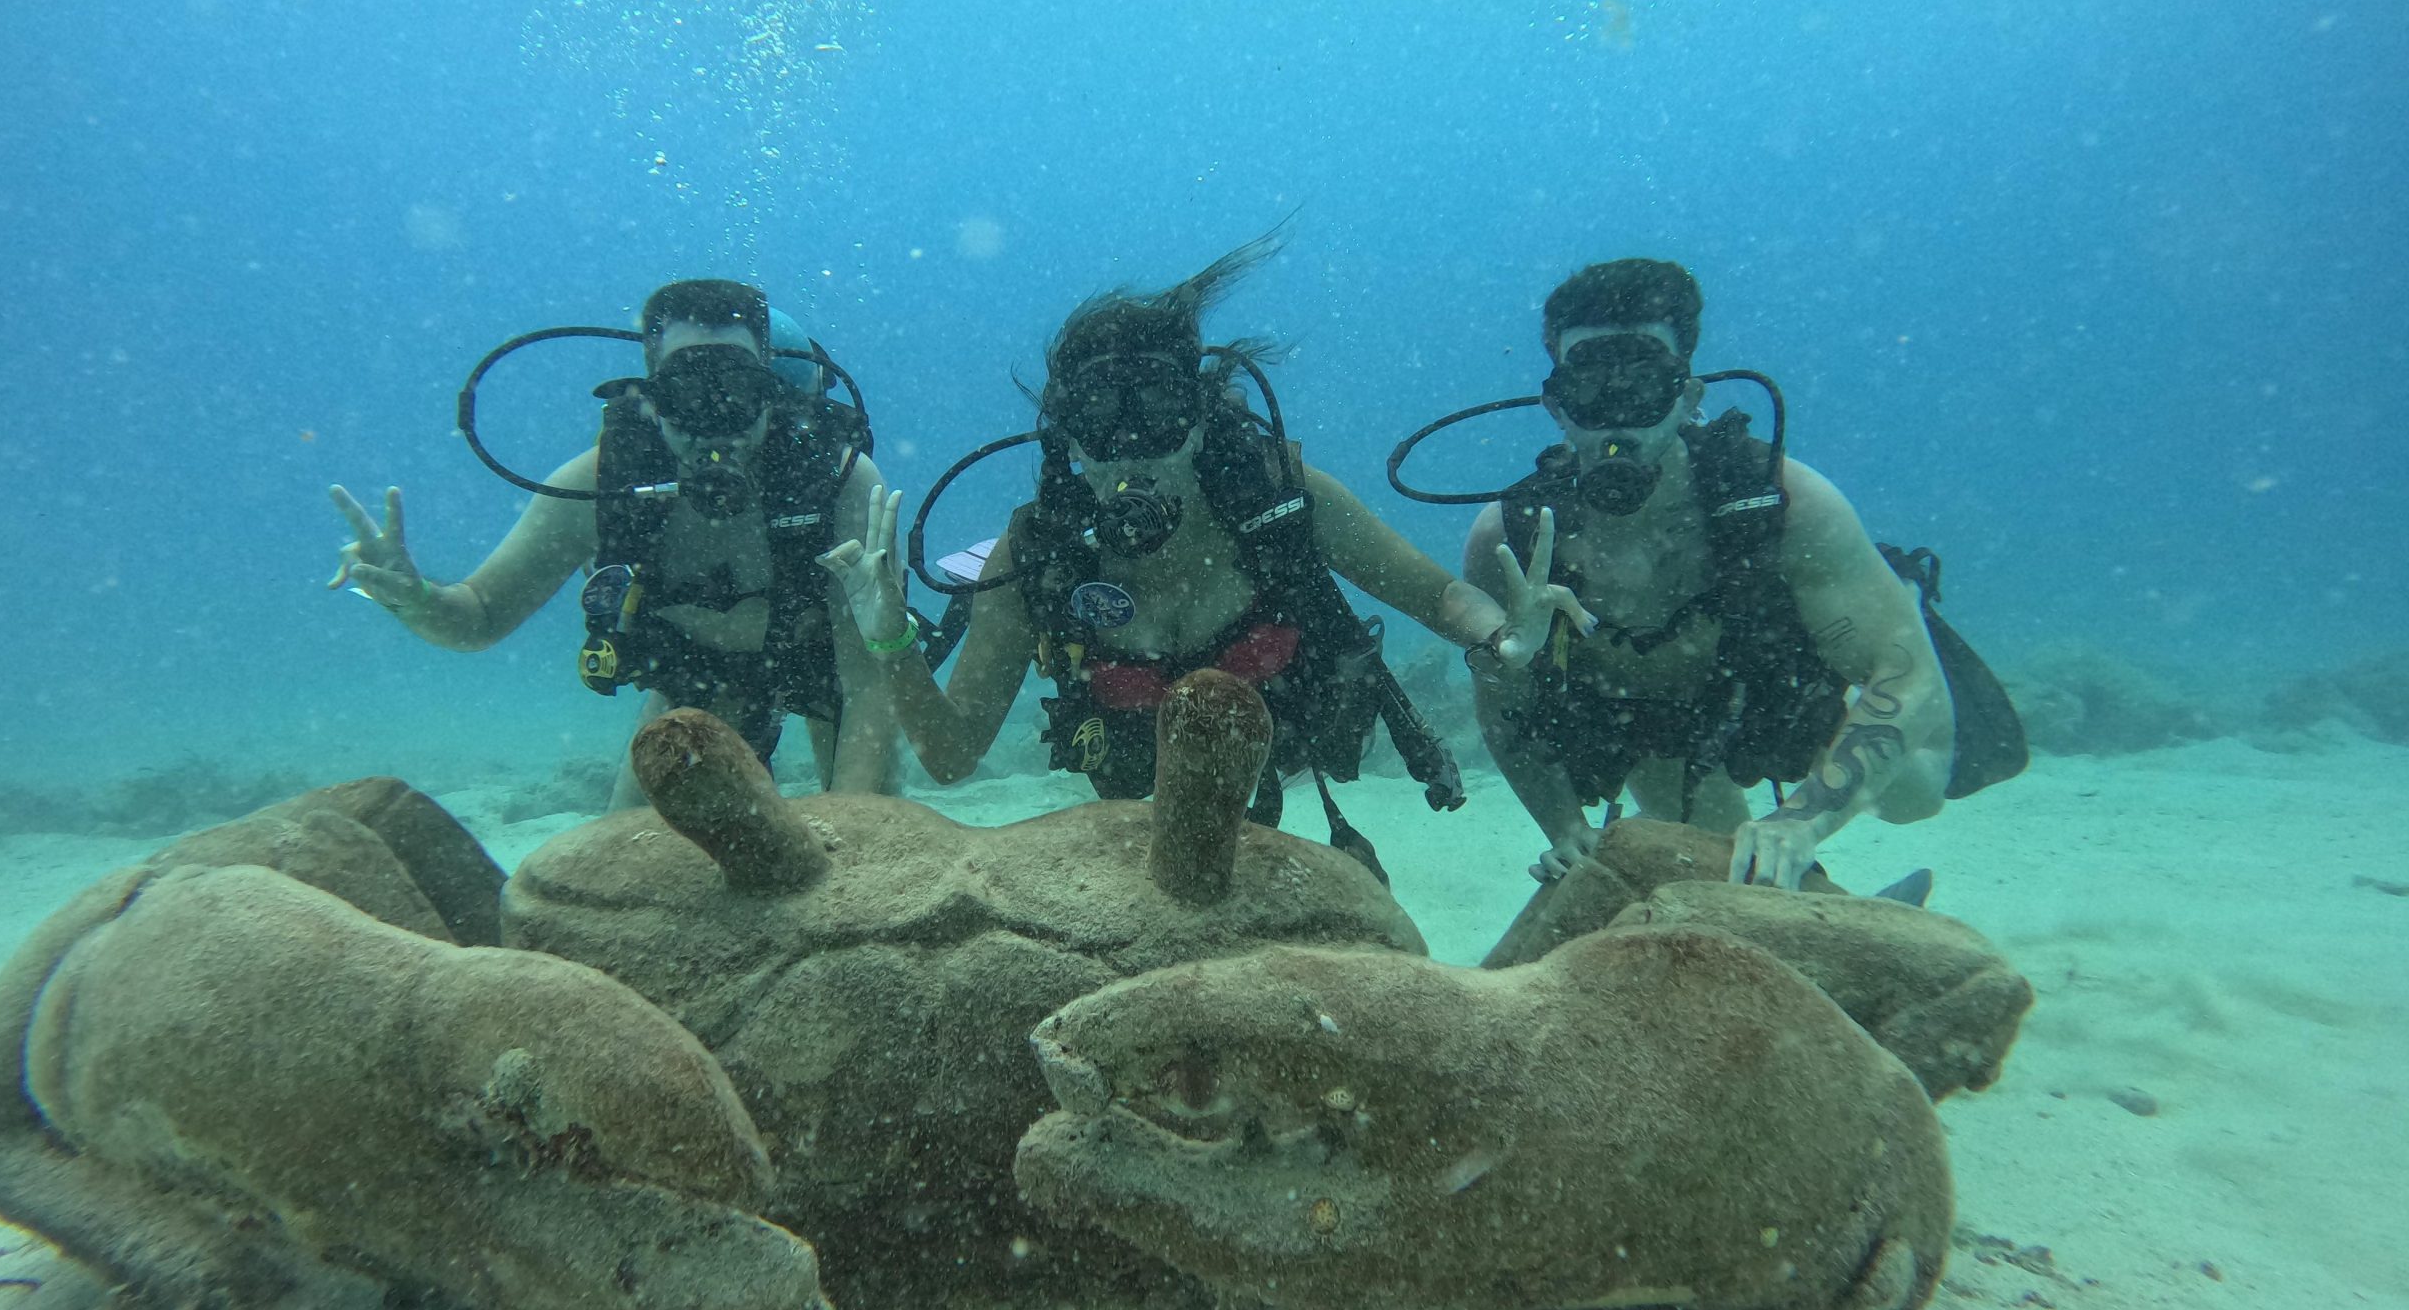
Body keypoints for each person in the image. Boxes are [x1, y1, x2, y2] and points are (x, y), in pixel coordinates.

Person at [816, 231, 1590, 871]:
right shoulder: (1038, 554)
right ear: (1069, 444)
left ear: (1197, 418)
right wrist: (891, 639)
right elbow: (952, 756)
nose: (1131, 449)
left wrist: (1501, 635)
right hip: (1136, 812)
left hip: (1288, 771)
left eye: (1156, 409)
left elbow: (1437, 596)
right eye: (1099, 419)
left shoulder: (1280, 499)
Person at [1449, 257, 1963, 889]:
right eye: (1591, 386)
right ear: (1556, 406)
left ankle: (1896, 598)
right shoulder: (1511, 538)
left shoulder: (1784, 502)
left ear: (1688, 399)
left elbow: (1906, 677)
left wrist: (1802, 820)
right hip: (1658, 722)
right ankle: (1819, 908)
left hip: (1782, 690)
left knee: (1916, 791)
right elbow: (1501, 702)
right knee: (1715, 869)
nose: (1616, 414)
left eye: (1643, 385)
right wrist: (1565, 828)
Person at [327, 279, 896, 800]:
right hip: (693, 682)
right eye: (686, 394)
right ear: (650, 400)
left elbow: (867, 681)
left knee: (866, 836)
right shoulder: (600, 486)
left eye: (736, 390)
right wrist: (414, 597)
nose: (714, 421)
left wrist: (854, 835)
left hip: (824, 669)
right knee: (633, 850)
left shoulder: (840, 483)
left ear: (770, 394)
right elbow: (479, 616)